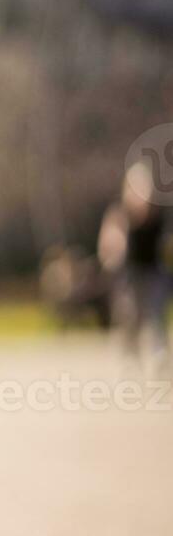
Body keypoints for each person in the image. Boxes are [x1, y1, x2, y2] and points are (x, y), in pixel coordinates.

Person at [98, 160, 170, 376]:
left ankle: (160, 355)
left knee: (156, 314)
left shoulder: (159, 214)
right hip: (129, 275)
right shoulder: (120, 214)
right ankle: (130, 358)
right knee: (130, 317)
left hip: (154, 273)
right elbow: (109, 238)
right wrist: (111, 250)